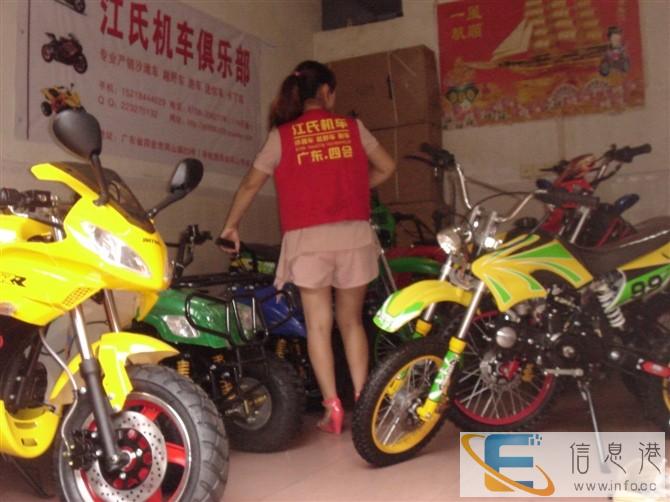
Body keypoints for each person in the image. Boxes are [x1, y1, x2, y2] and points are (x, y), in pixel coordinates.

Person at [219, 60, 396, 435]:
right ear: (327, 92)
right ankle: (364, 401)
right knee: (352, 322)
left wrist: (231, 226)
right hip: (353, 235)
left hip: (307, 240)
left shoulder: (282, 136)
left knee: (318, 325)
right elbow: (387, 166)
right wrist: (354, 188)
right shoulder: (353, 127)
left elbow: (250, 184)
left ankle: (333, 408)